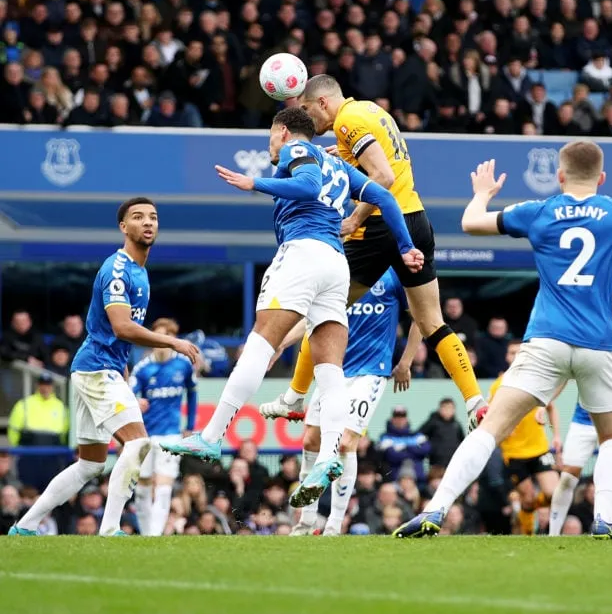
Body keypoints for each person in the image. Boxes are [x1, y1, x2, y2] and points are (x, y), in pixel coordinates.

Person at [393, 143, 612, 539]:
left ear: (559, 177)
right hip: (599, 344)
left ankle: (435, 510)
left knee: (489, 431)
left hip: (546, 342)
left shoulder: (538, 211)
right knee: (611, 438)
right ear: (602, 179)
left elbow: (471, 223)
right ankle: (605, 518)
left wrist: (483, 194)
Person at [161, 108, 422, 511]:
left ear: (282, 131)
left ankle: (211, 436)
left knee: (260, 344)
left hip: (302, 253)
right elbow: (386, 196)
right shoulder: (337, 163)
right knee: (330, 371)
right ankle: (330, 455)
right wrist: (405, 246)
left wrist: (254, 183)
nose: (270, 145)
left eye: (270, 136)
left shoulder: (297, 149)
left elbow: (304, 185)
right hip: (337, 264)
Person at [277, 74, 485, 431]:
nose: (308, 119)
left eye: (308, 110)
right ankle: (475, 401)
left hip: (381, 224)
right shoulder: (371, 111)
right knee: (432, 322)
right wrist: (342, 158)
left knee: (325, 308)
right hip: (416, 219)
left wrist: (355, 217)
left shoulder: (347, 121)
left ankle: (294, 393)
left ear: (323, 103)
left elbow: (383, 177)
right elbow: (385, 163)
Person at [9, 198, 200, 537]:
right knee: (139, 443)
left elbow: (119, 336)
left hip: (101, 367)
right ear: (123, 227)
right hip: (97, 369)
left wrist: (124, 366)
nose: (148, 223)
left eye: (153, 217)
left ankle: (24, 526)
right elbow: (121, 327)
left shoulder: (140, 271)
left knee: (90, 464)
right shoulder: (118, 269)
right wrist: (174, 342)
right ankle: (110, 529)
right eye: (138, 217)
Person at [293, 268, 421, 536]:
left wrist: (406, 361)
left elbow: (422, 315)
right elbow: (308, 319)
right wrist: (279, 344)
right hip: (333, 368)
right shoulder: (336, 269)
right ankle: (305, 522)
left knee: (345, 442)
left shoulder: (393, 273)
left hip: (371, 371)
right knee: (310, 441)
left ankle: (334, 525)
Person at [549, 295, 612, 536]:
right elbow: (564, 374)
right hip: (582, 420)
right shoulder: (579, 339)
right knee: (567, 478)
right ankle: (552, 534)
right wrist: (547, 401)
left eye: (610, 304)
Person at [129, 317, 197, 536]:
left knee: (165, 486)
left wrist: (190, 425)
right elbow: (128, 395)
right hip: (145, 435)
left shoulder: (183, 364)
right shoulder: (143, 368)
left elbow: (192, 392)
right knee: (143, 488)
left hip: (171, 435)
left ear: (172, 340)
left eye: (165, 338)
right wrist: (135, 402)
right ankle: (146, 532)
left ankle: (155, 535)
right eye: (157, 338)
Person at [489, 339, 559, 535]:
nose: (516, 356)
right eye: (512, 352)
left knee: (554, 494)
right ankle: (527, 536)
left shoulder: (538, 380)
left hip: (540, 448)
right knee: (527, 498)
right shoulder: (498, 387)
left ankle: (524, 516)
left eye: (520, 352)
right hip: (514, 453)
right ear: (507, 356)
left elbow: (551, 407)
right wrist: (503, 427)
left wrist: (557, 435)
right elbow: (490, 416)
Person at [7, 373, 69, 492]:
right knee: (29, 494)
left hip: (52, 460)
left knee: (50, 494)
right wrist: (21, 449)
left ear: (52, 387)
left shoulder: (61, 407)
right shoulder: (24, 404)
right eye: (42, 384)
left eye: (48, 385)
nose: (45, 388)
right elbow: (13, 431)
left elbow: (65, 435)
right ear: (37, 385)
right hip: (29, 458)